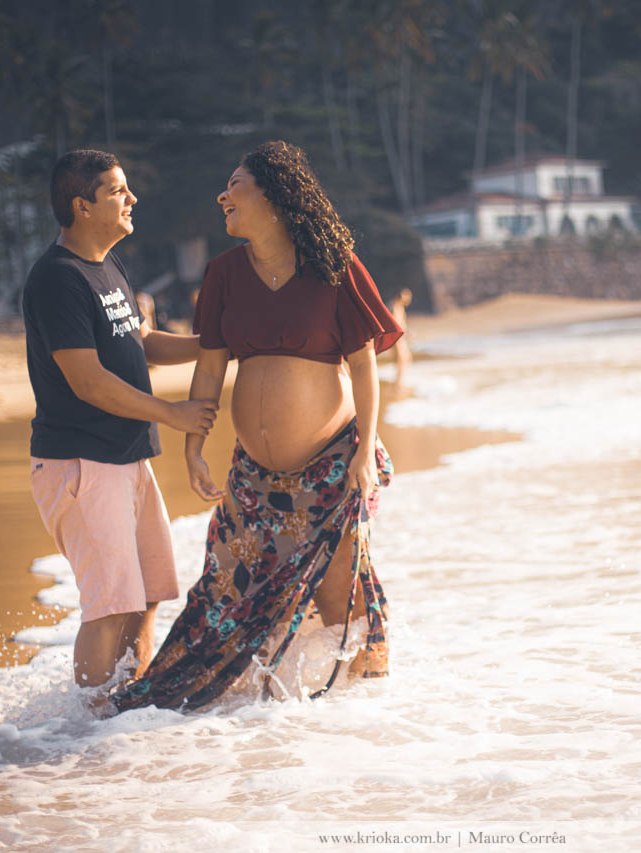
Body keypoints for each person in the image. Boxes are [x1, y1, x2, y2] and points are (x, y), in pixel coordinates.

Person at [111, 140, 402, 712]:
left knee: (338, 595)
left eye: (236, 184)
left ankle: (353, 717)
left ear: (273, 195)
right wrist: (193, 448)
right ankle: (239, 704)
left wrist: (365, 455)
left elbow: (366, 369)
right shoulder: (223, 275)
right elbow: (211, 365)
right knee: (225, 592)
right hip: (255, 477)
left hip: (333, 465)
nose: (223, 195)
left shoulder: (331, 265)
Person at [23, 149, 218, 691]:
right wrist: (172, 413)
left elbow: (139, 342)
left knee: (148, 594)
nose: (132, 200)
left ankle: (127, 707)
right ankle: (86, 727)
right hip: (82, 462)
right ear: (82, 206)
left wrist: (214, 345)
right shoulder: (57, 278)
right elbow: (88, 381)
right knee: (109, 605)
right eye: (117, 192)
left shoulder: (110, 265)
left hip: (127, 456)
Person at [389, 287, 413, 393]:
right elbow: (395, 324)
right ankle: (398, 385)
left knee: (405, 359)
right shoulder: (395, 306)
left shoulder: (400, 307)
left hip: (401, 338)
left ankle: (400, 383)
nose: (408, 299)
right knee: (401, 360)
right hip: (398, 338)